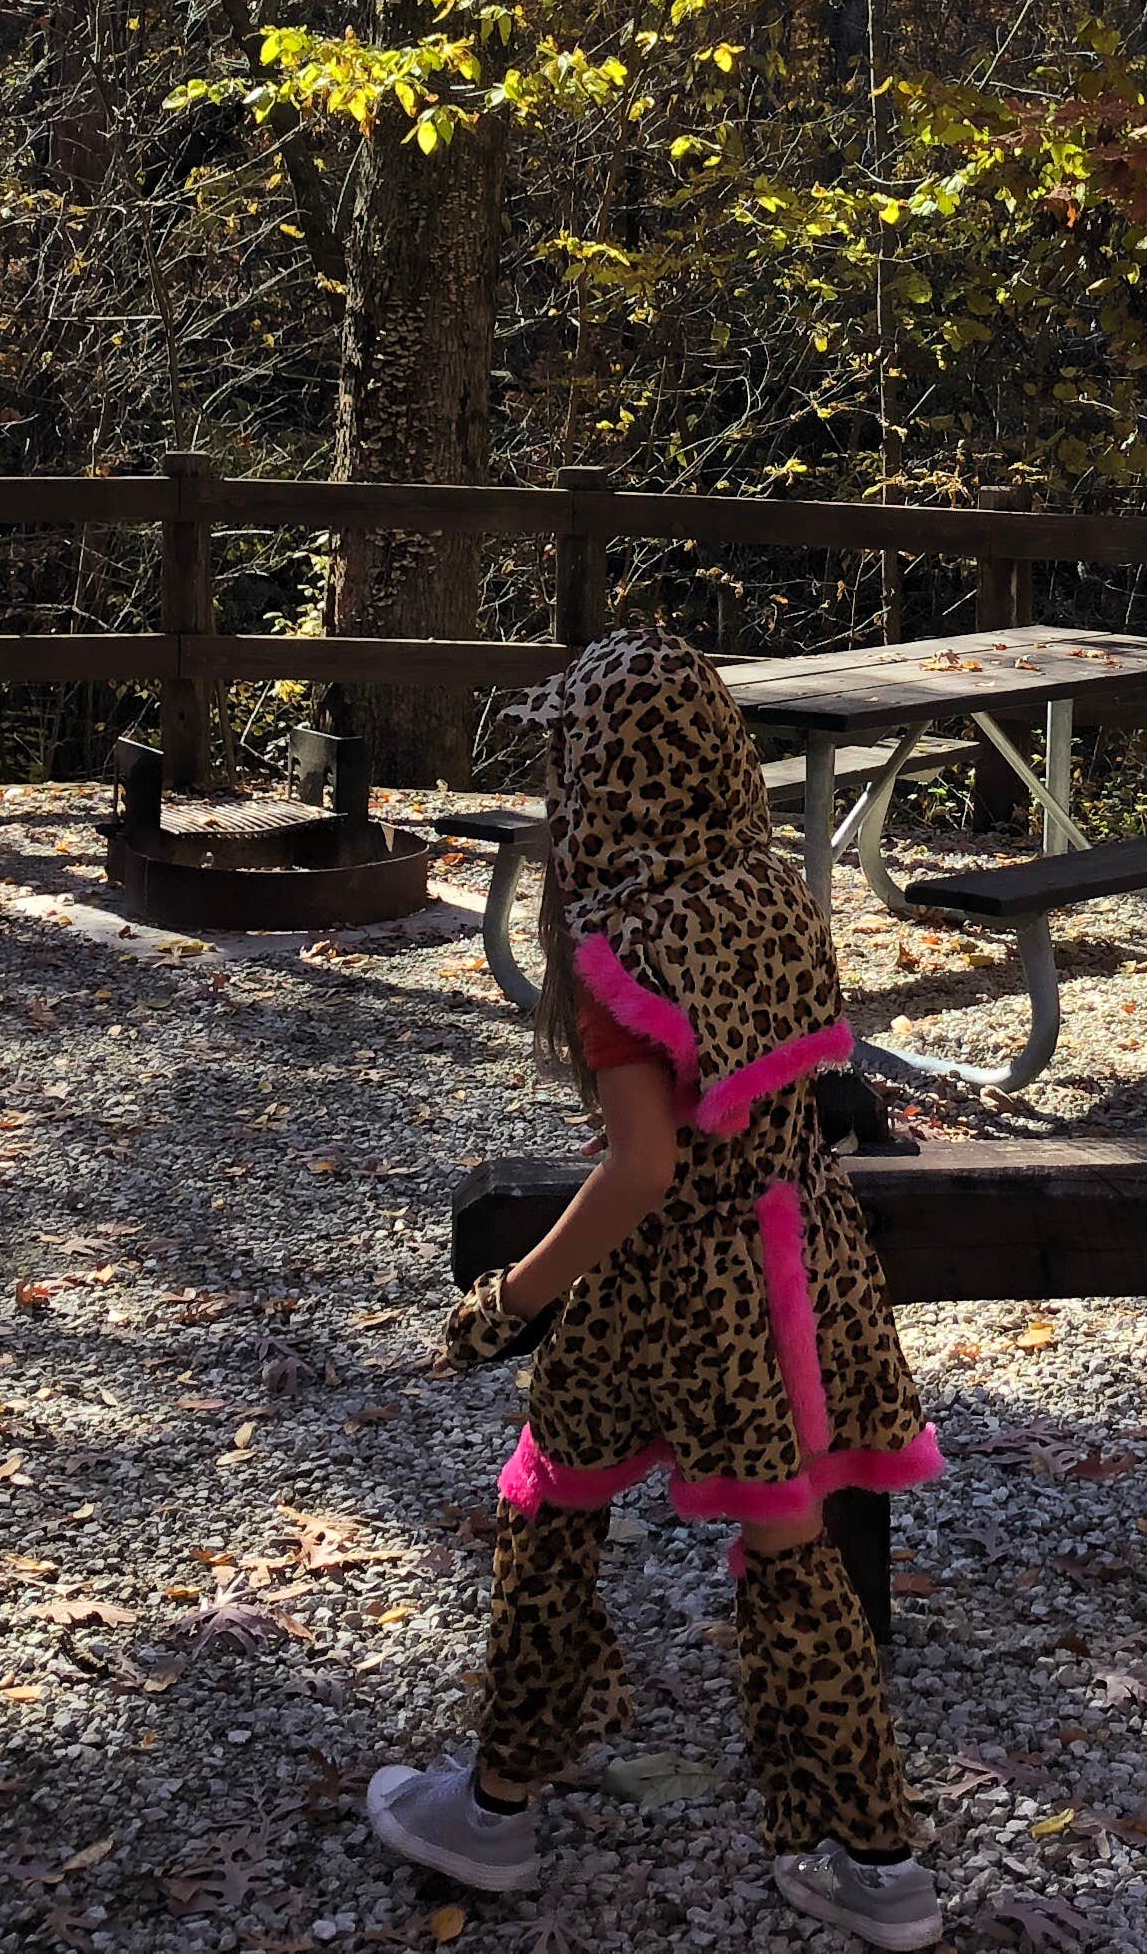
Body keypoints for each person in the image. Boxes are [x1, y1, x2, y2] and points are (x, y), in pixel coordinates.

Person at [368, 629, 949, 1950]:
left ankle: (498, 1809)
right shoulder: (770, 894)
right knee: (796, 1562)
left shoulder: (618, 951)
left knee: (551, 1502)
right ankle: (883, 1872)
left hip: (673, 1287)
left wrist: (508, 1301)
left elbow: (640, 1168)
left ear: (607, 775)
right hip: (804, 1265)